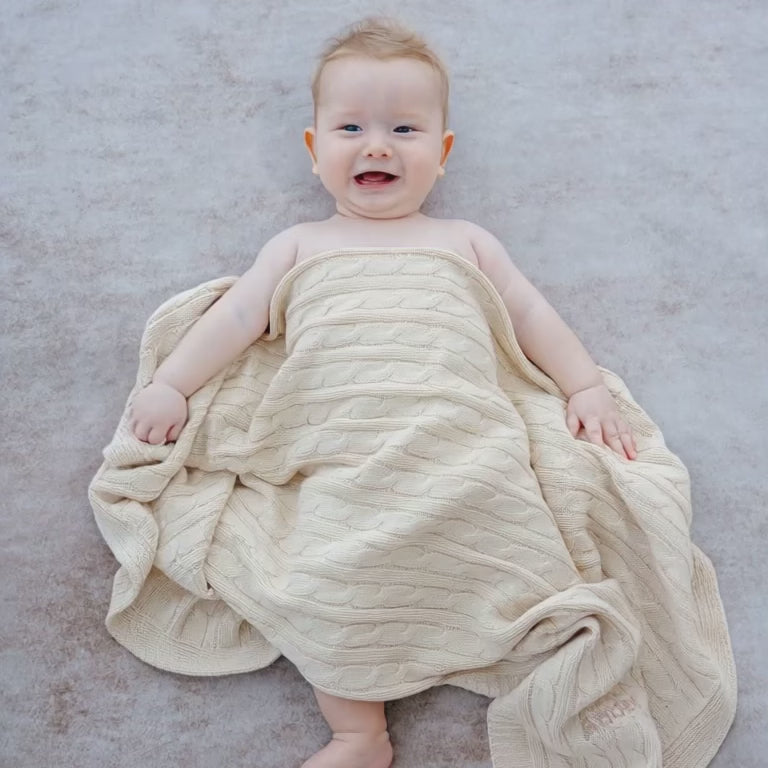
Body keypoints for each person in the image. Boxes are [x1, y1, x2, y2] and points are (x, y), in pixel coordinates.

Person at [129, 17, 637, 768]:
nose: (377, 145)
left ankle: (542, 665)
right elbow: (235, 317)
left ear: (442, 154)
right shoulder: (299, 245)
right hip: (343, 456)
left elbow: (529, 313)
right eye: (351, 127)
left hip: (459, 442)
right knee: (332, 573)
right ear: (314, 151)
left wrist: (584, 383)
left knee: (515, 542)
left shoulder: (464, 240)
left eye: (405, 128)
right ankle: (359, 733)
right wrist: (173, 381)